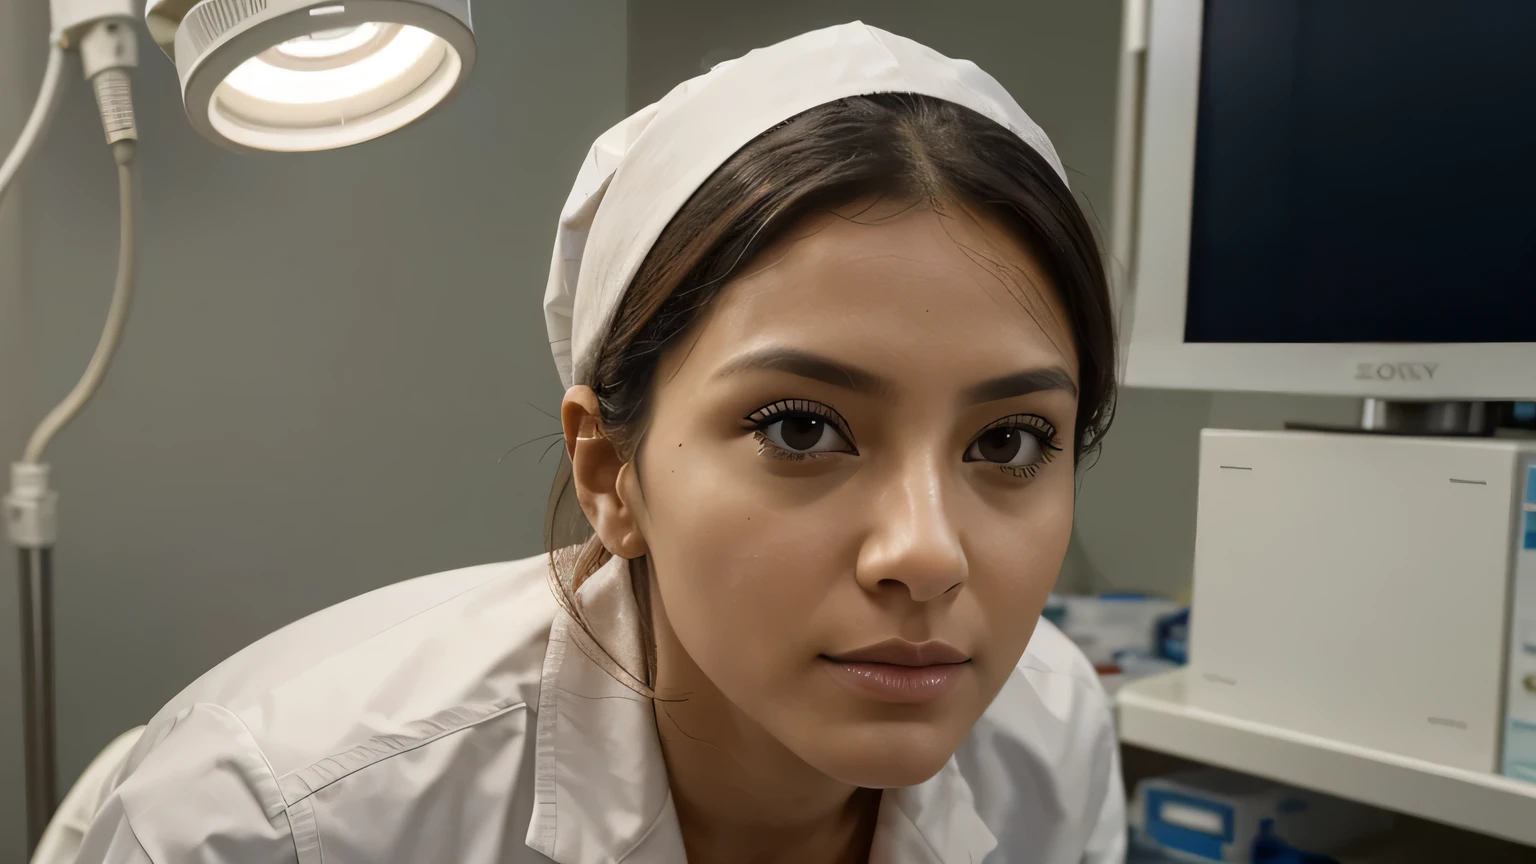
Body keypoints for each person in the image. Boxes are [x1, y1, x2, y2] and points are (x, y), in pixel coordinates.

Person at [77, 22, 1123, 864]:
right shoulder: (277, 822)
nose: (928, 554)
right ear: (608, 470)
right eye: (802, 429)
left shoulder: (1051, 730)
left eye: (1010, 443)